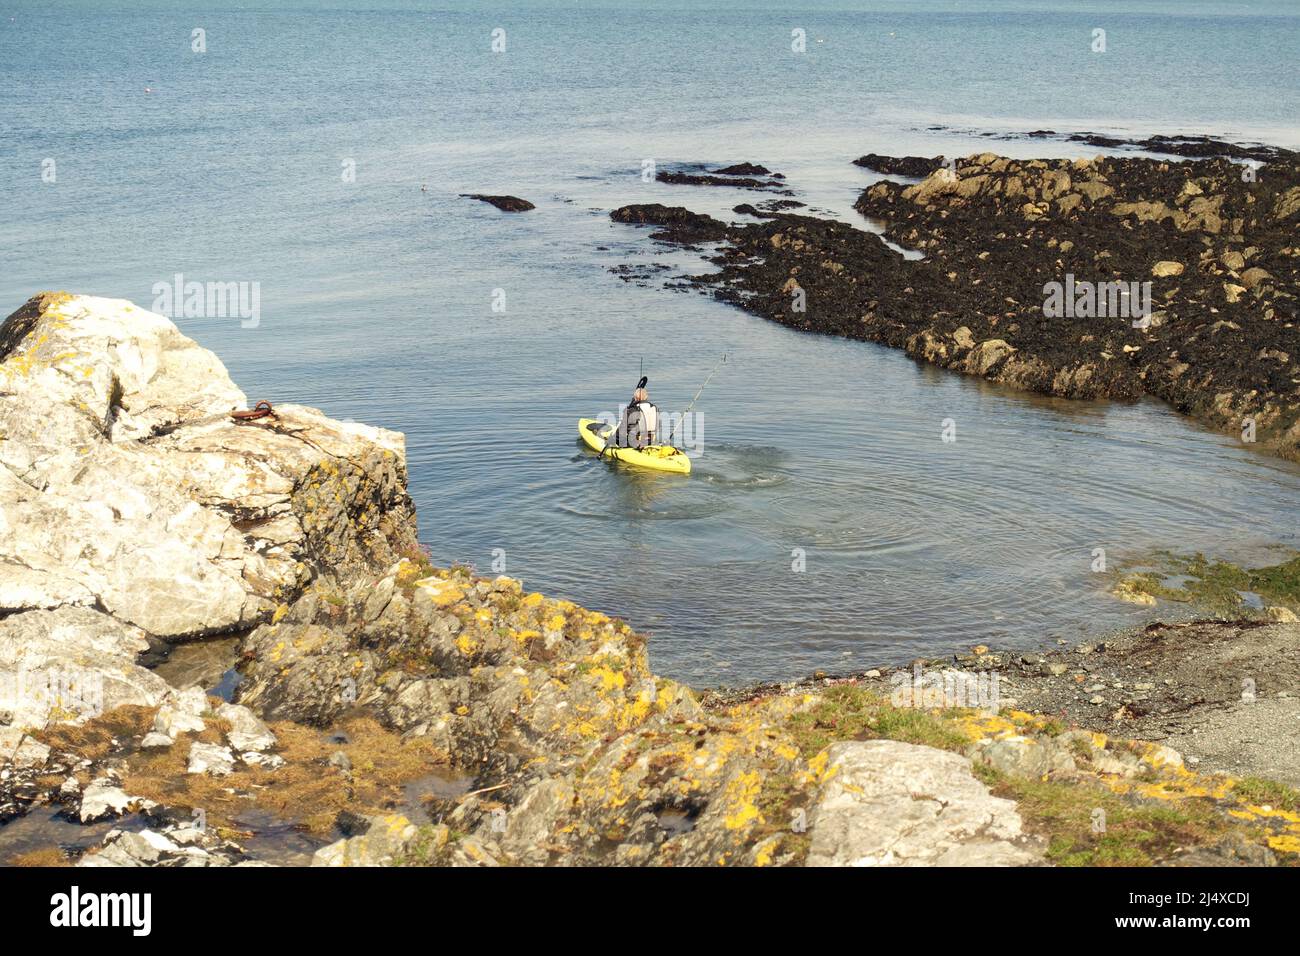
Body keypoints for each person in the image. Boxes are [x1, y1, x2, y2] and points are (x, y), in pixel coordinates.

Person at [616, 384, 658, 449]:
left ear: (635, 398)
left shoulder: (632, 410)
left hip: (635, 443)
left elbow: (621, 431)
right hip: (651, 440)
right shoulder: (655, 408)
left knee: (617, 437)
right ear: (646, 397)